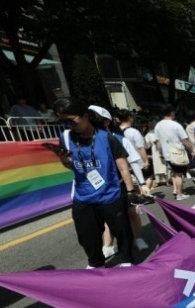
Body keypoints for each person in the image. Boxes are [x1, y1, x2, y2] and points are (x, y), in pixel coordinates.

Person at [50, 98, 136, 268]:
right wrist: (64, 160)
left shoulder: (107, 138)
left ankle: (126, 259)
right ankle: (96, 263)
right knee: (86, 235)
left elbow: (123, 166)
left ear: (85, 116)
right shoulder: (66, 138)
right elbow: (71, 166)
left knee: (121, 231)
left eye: (71, 120)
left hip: (110, 195)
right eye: (63, 121)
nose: (68, 125)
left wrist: (131, 192)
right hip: (83, 196)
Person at [89, 105, 150, 254]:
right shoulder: (85, 141)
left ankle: (138, 238)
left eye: (94, 119)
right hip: (100, 187)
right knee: (107, 217)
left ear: (107, 122)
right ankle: (108, 246)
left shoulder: (119, 139)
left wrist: (142, 183)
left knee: (131, 212)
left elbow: (134, 162)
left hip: (122, 184)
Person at [154, 104, 195, 201]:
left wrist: (160, 153)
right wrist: (191, 151)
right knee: (179, 175)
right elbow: (185, 140)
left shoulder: (158, 126)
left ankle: (177, 191)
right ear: (171, 113)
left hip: (167, 154)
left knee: (174, 174)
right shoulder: (176, 125)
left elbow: (157, 142)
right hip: (177, 153)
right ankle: (179, 194)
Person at [144, 116, 168, 188]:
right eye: (150, 123)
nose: (152, 124)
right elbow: (146, 145)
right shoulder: (148, 134)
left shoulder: (161, 131)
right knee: (157, 165)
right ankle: (158, 181)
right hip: (154, 150)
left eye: (153, 122)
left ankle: (167, 180)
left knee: (164, 164)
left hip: (163, 148)